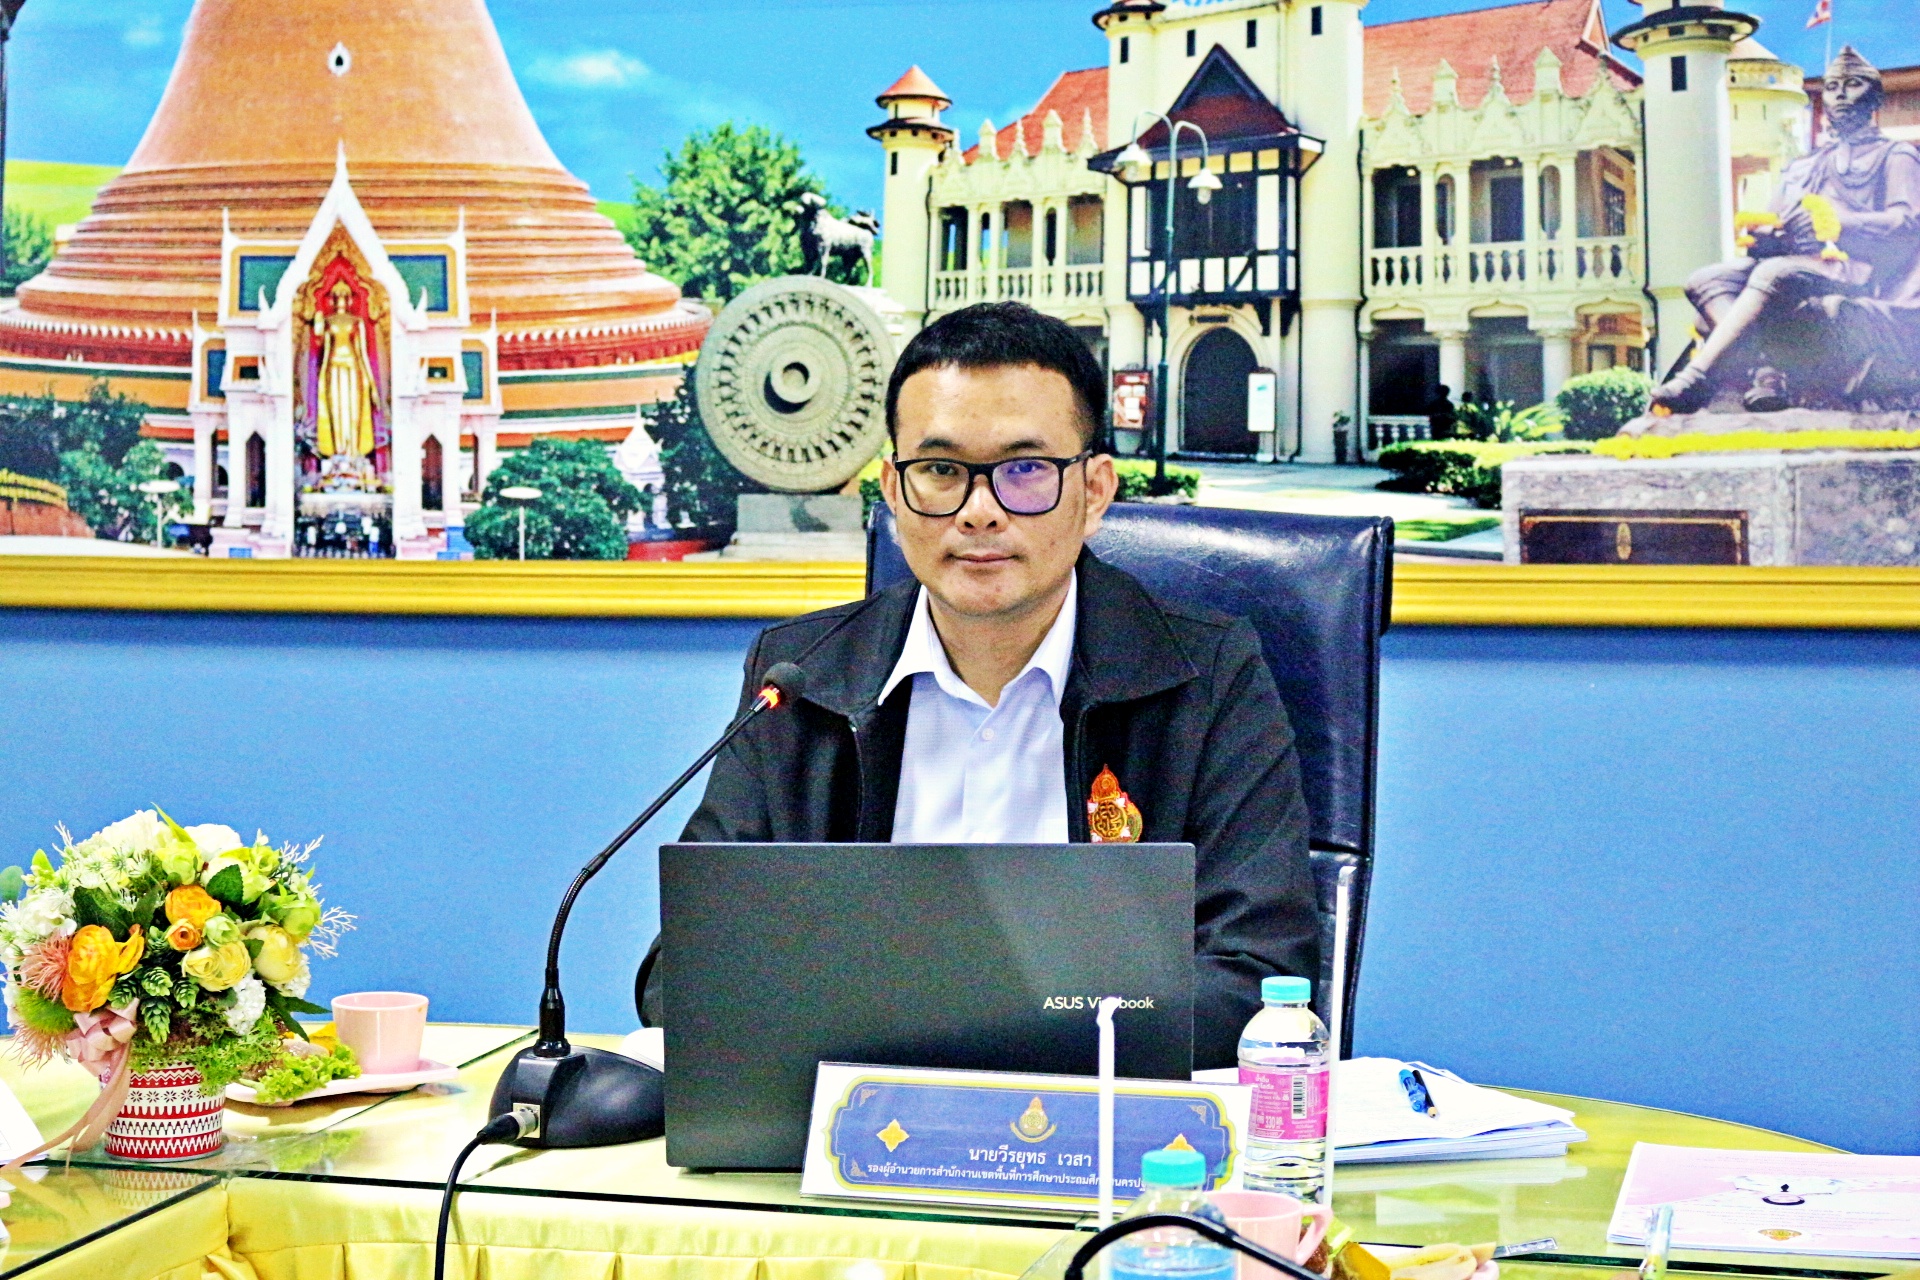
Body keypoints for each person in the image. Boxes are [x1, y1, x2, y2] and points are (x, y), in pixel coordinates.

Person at [638, 301, 1318, 1068]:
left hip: (1103, 1123)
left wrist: (973, 1030)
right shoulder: (799, 681)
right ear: (893, 490)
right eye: (940, 471)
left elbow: (1259, 978)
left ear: (1094, 491)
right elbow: (685, 971)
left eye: (1025, 471)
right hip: (853, 1121)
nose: (980, 512)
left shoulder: (1208, 677)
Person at [1652, 46, 1920, 413]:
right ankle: (1767, 370)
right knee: (1706, 279)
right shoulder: (1806, 164)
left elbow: (1909, 222)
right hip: (1797, 263)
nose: (1841, 95)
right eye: (1832, 87)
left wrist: (1840, 223)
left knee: (1774, 273)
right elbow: (1775, 220)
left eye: (1853, 85)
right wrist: (1763, 237)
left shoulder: (1895, 155)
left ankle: (1697, 378)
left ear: (1874, 98)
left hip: (1854, 265)